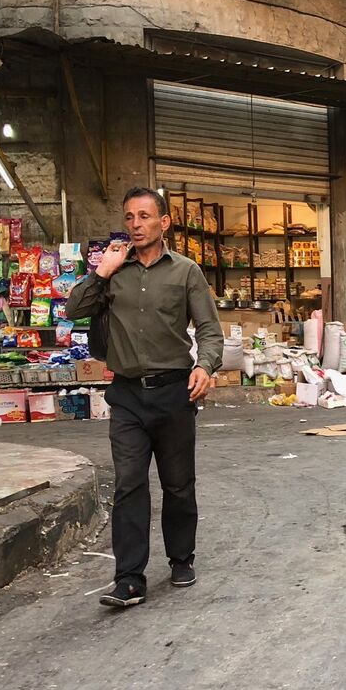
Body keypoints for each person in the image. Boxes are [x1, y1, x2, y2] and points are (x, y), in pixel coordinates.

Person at [64, 188, 224, 609]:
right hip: (128, 397)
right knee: (129, 485)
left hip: (174, 393)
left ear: (164, 222)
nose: (136, 224)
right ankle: (129, 577)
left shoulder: (186, 272)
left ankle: (181, 557)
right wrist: (101, 271)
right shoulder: (114, 269)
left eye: (145, 216)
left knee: (178, 485)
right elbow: (73, 310)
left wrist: (205, 366)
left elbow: (209, 329)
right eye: (130, 217)